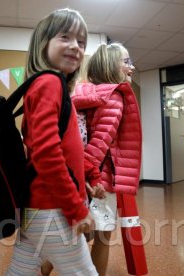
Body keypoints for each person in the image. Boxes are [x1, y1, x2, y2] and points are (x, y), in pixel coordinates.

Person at [6, 8, 98, 276]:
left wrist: (85, 180)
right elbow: (47, 153)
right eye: (65, 37)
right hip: (52, 208)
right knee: (83, 272)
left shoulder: (44, 84)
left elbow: (63, 151)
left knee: (22, 271)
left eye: (82, 42)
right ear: (43, 43)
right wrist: (76, 208)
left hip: (36, 206)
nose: (76, 47)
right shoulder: (50, 83)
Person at [71, 42, 141, 276]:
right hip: (100, 179)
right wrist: (90, 180)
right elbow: (99, 145)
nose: (131, 67)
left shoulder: (90, 93)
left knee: (74, 235)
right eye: (126, 61)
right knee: (101, 236)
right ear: (112, 65)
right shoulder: (115, 98)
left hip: (83, 175)